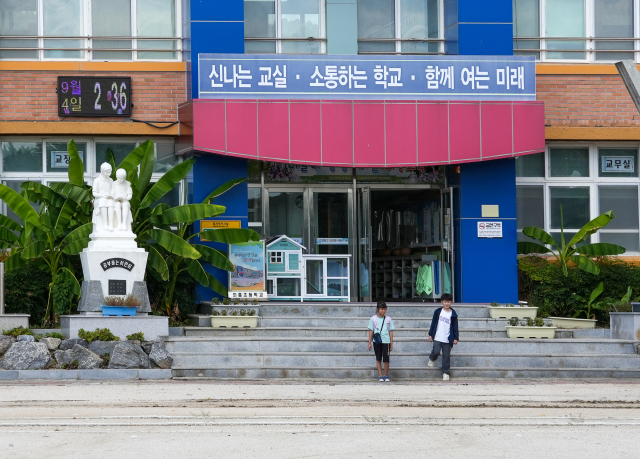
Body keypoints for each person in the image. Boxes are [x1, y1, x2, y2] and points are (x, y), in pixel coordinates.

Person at [427, 293, 459, 381]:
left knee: (446, 356)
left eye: (448, 302)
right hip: (437, 337)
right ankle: (432, 358)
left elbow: (455, 326)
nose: (447, 304)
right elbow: (433, 323)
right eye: (445, 302)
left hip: (448, 339)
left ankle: (446, 373)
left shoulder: (453, 313)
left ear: (451, 302)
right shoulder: (438, 312)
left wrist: (456, 338)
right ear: (442, 302)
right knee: (436, 351)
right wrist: (430, 334)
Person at [368, 301, 395, 382]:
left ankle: (386, 375)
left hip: (386, 341)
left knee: (386, 359)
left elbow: (390, 332)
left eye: (384, 309)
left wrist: (391, 343)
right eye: (381, 309)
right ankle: (380, 375)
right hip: (377, 341)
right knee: (378, 358)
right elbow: (371, 331)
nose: (383, 311)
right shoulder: (373, 319)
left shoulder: (388, 319)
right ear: (377, 309)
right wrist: (369, 342)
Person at [92, 162, 115, 232]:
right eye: (107, 172)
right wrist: (102, 196)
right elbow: (94, 193)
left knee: (111, 202)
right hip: (99, 199)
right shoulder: (97, 180)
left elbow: (113, 191)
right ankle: (105, 223)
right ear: (102, 171)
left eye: (110, 172)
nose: (109, 174)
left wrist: (111, 195)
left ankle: (111, 224)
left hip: (109, 199)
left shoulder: (111, 180)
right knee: (103, 201)